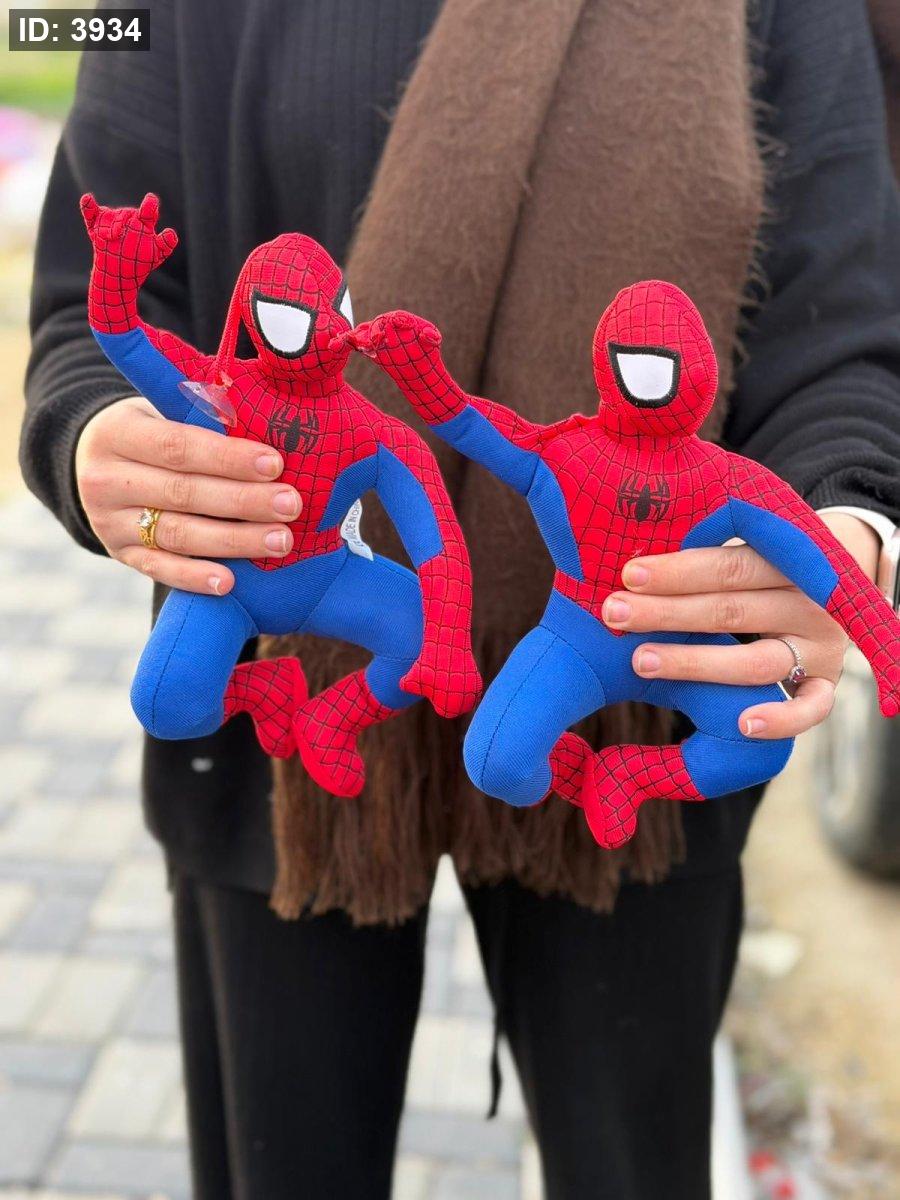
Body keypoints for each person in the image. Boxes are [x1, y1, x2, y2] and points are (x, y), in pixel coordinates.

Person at [20, 1, 900, 1197]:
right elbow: (91, 312)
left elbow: (846, 324)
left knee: (630, 1164)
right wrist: (93, 439)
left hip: (637, 712)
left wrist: (846, 528)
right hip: (268, 721)